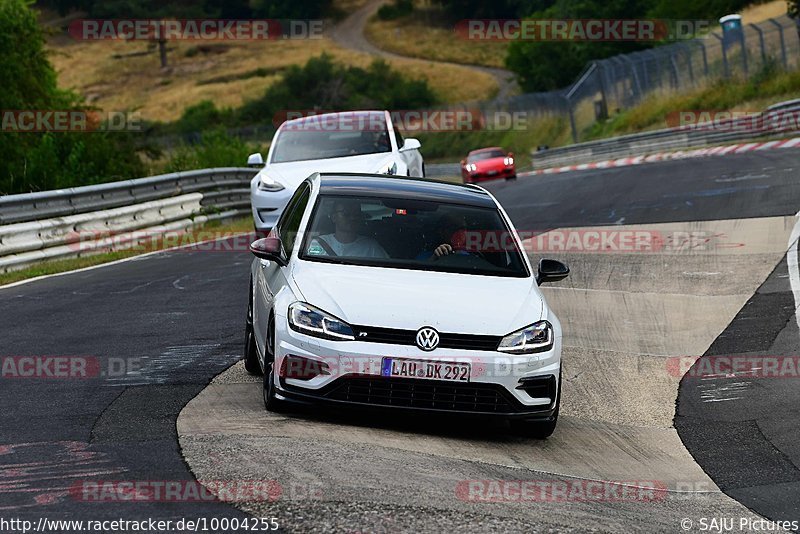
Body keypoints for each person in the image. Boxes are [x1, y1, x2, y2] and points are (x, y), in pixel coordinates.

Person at [307, 200, 388, 258]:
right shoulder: (318, 244)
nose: (352, 218)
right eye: (346, 213)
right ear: (334, 217)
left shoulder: (371, 247)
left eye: (356, 214)